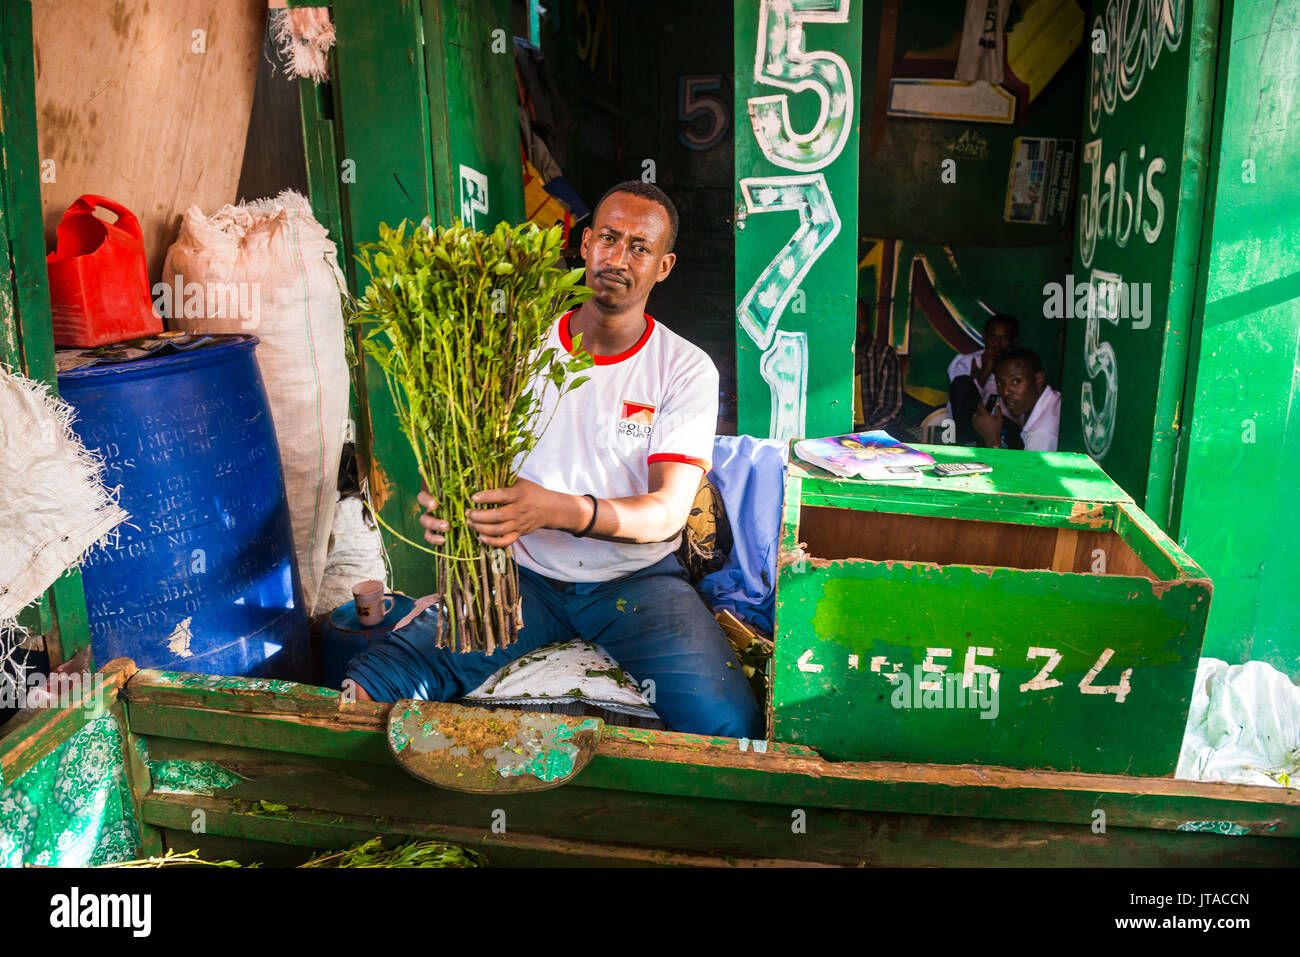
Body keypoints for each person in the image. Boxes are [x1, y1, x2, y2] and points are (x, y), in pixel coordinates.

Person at [344, 181, 764, 740]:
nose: (619, 258)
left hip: (636, 584)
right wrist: (447, 504)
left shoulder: (684, 368)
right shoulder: (517, 347)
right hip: (519, 578)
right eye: (609, 238)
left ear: (663, 267)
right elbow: (466, 467)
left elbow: (666, 514)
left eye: (640, 248)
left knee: (730, 724)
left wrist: (553, 509)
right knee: (374, 683)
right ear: (586, 243)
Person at [947, 313, 1018, 446]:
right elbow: (960, 403)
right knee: (962, 383)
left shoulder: (1018, 366)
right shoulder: (965, 362)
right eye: (993, 337)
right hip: (971, 427)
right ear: (984, 336)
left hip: (1006, 427)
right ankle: (967, 444)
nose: (997, 344)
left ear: (1013, 341)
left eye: (1004, 338)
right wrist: (984, 373)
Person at [973, 348, 1061, 452]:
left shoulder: (1041, 435)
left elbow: (1027, 469)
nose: (1005, 392)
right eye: (1000, 383)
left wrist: (993, 441)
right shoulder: (1052, 399)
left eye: (1015, 381)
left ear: (1038, 379)